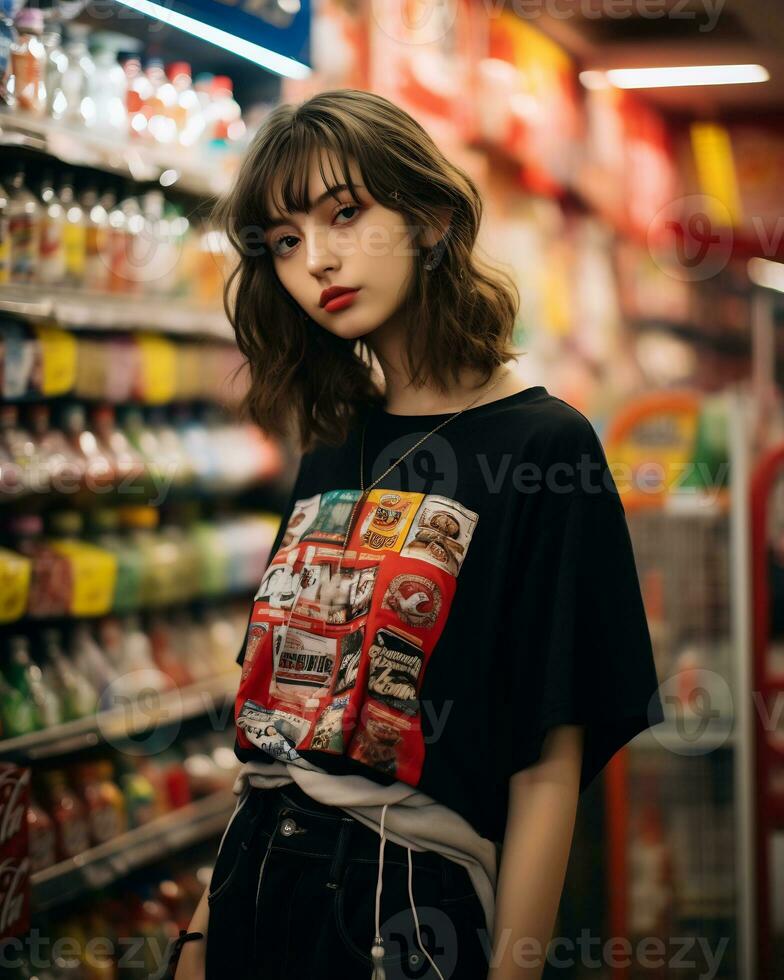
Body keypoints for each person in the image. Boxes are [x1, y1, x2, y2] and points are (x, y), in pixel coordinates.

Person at [172, 88, 665, 980]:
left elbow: (548, 765)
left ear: (431, 218)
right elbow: (278, 744)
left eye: (345, 215)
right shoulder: (332, 444)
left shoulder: (544, 448)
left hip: (402, 913)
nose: (315, 260)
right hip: (253, 891)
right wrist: (197, 945)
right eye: (284, 241)